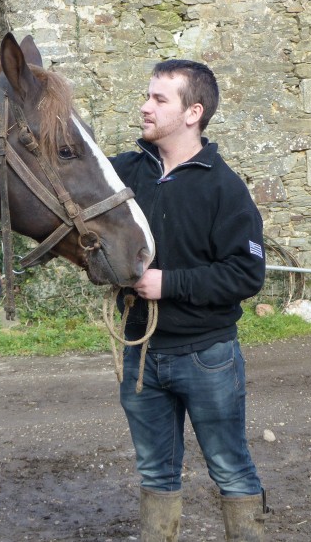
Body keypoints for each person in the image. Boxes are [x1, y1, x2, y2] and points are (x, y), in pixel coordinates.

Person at [110, 59, 270, 542]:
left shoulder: (224, 187)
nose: (145, 106)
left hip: (208, 356)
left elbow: (247, 272)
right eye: (147, 95)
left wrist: (169, 284)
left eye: (159, 99)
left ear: (193, 111)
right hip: (141, 352)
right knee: (156, 474)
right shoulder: (123, 173)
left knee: (230, 468)